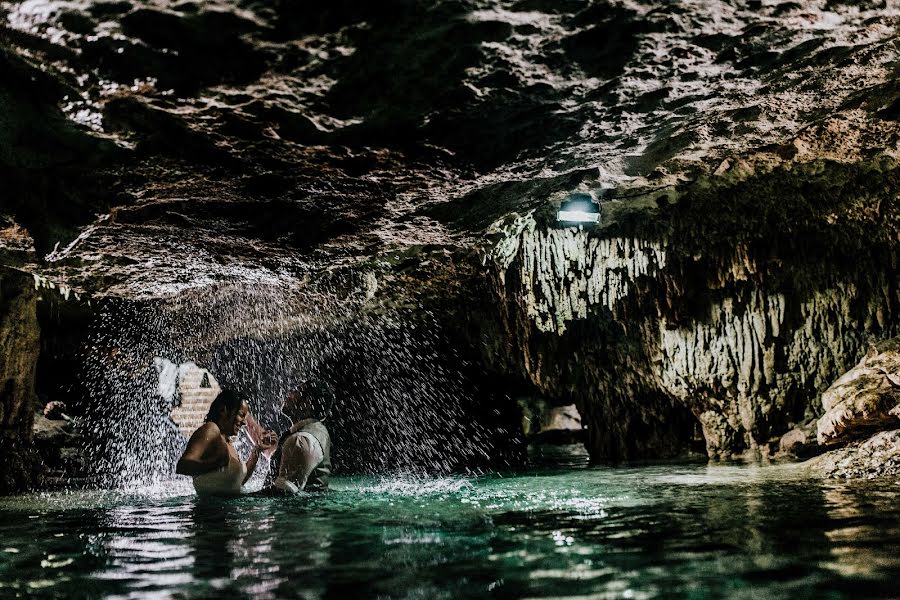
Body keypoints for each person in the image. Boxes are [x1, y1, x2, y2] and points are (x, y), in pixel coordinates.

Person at [176, 390, 277, 496]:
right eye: (241, 415)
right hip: (211, 512)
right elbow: (183, 465)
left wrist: (257, 449)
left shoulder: (228, 442)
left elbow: (238, 482)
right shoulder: (211, 429)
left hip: (230, 509)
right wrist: (214, 464)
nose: (244, 422)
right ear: (223, 411)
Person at [266, 386, 332, 494]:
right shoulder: (317, 430)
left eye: (295, 391)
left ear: (307, 403)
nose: (289, 394)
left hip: (296, 511)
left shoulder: (301, 439)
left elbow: (283, 493)